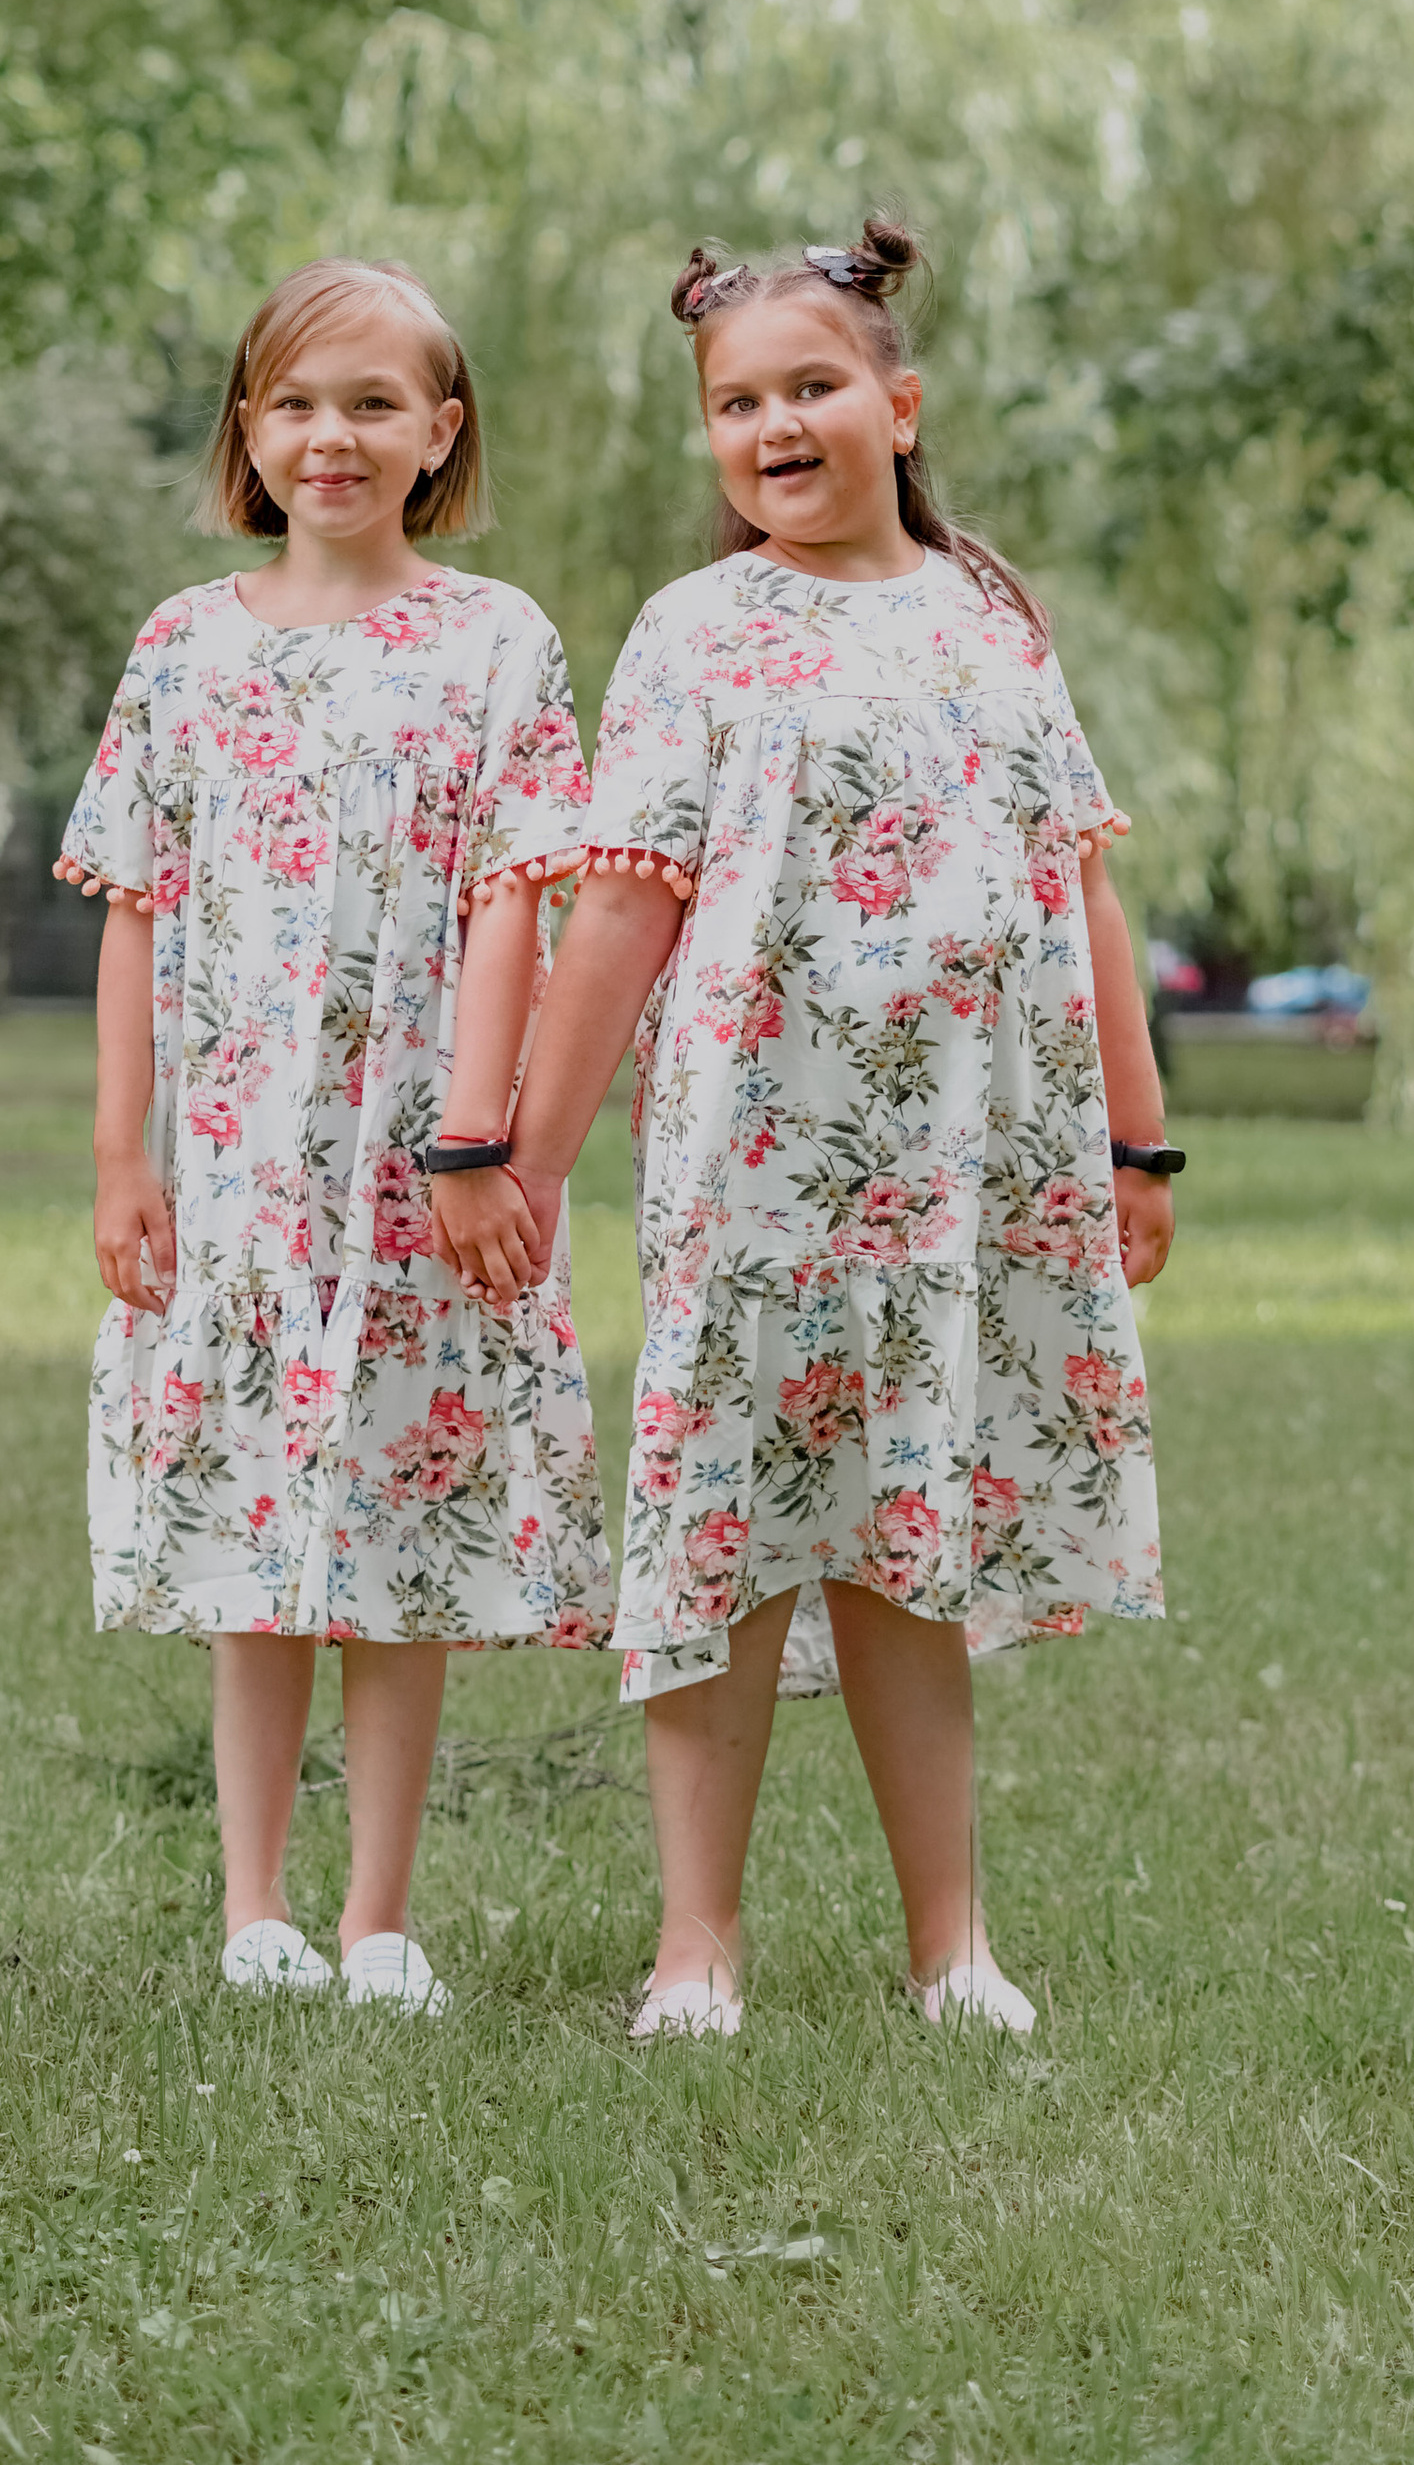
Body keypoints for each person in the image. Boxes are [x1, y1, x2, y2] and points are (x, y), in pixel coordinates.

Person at [502, 219, 1176, 2041]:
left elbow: (1080, 884)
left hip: (964, 1174)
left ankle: (952, 1947)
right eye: (737, 403)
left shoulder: (990, 621)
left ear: (902, 402)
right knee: (725, 1530)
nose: (775, 425)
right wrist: (530, 1157)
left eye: (811, 387)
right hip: (759, 1168)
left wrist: (1135, 1142)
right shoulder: (698, 633)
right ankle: (695, 1945)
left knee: (908, 1538)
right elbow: (621, 906)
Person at [55, 257, 611, 2017]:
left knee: (397, 1525)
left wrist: (475, 1141)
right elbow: (135, 907)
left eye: (374, 404)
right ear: (250, 428)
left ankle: (378, 1918)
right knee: (254, 1531)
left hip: (414, 1159)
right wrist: (125, 1158)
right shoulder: (186, 647)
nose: (333, 437)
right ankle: (254, 1910)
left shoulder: (495, 641)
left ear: (441, 430)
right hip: (238, 1165)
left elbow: (519, 897)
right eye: (298, 403)